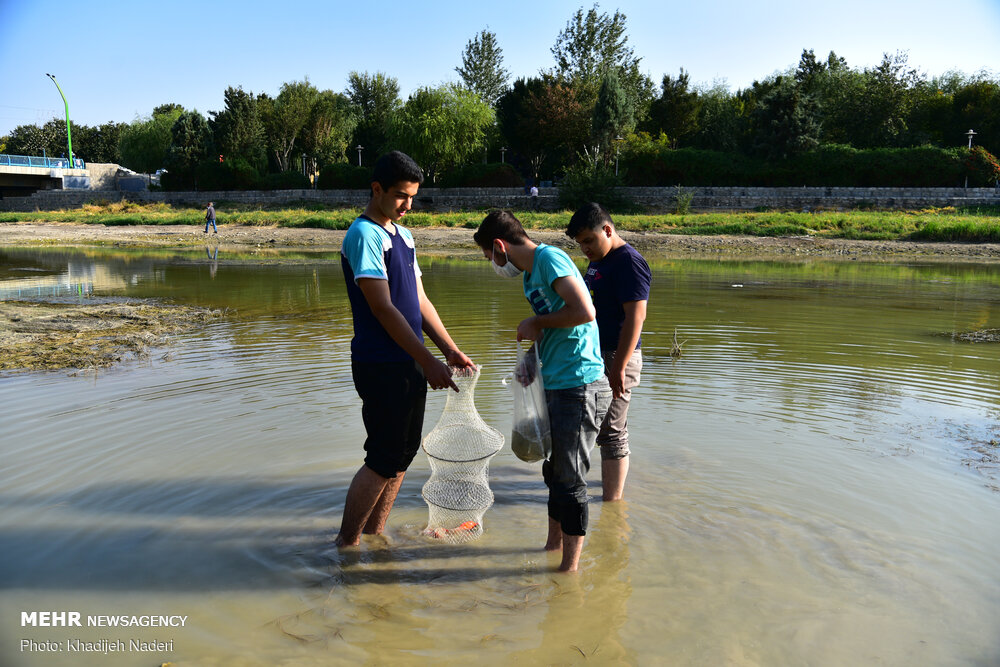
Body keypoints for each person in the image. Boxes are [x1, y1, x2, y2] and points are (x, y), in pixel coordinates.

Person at [335, 150, 475, 547]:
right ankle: (346, 545)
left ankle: (374, 535)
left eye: (413, 196)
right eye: (400, 196)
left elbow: (419, 301)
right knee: (382, 456)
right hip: (381, 363)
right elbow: (381, 307)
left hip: (410, 360)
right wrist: (427, 359)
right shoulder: (364, 235)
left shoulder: (403, 236)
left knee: (402, 454)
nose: (408, 206)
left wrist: (448, 349)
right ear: (376, 189)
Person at [474, 210, 610, 572]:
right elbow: (554, 327)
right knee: (555, 473)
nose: (494, 264)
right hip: (556, 381)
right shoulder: (529, 277)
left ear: (500, 246)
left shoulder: (549, 259)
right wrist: (531, 362)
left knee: (570, 479)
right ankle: (552, 547)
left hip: (580, 384)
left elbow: (584, 311)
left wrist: (535, 321)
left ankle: (569, 571)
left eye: (490, 257)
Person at [566, 203, 651, 501]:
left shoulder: (628, 261)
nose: (585, 249)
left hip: (618, 356)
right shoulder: (600, 260)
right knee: (593, 426)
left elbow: (636, 318)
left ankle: (612, 504)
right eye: (580, 244)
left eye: (589, 240)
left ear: (607, 229)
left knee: (612, 431)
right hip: (597, 354)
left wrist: (618, 368)